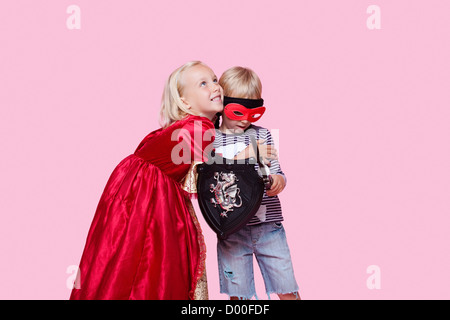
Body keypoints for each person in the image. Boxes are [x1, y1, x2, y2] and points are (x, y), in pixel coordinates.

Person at [70, 61, 223, 300]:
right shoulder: (199, 127)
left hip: (133, 187)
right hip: (147, 194)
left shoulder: (186, 126)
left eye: (215, 79)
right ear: (185, 102)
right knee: (152, 264)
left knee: (123, 260)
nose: (215, 87)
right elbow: (219, 162)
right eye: (203, 84)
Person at [214, 66, 300, 300]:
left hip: (268, 226)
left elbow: (276, 169)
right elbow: (213, 164)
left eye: (254, 114)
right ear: (222, 104)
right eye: (238, 112)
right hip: (231, 229)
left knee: (286, 287)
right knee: (238, 293)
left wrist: (278, 181)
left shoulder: (262, 135)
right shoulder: (209, 137)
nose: (245, 121)